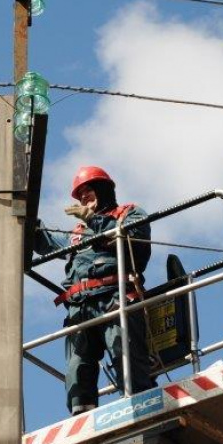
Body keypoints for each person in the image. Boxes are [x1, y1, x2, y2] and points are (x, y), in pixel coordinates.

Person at [34, 166, 157, 415]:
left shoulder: (128, 214)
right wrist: (27, 220)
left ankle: (140, 404)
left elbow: (134, 243)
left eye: (88, 191)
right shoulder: (77, 235)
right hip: (81, 307)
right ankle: (82, 415)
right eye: (79, 195)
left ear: (103, 190)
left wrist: (93, 219)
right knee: (77, 367)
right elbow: (47, 243)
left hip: (115, 297)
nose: (83, 198)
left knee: (125, 353)